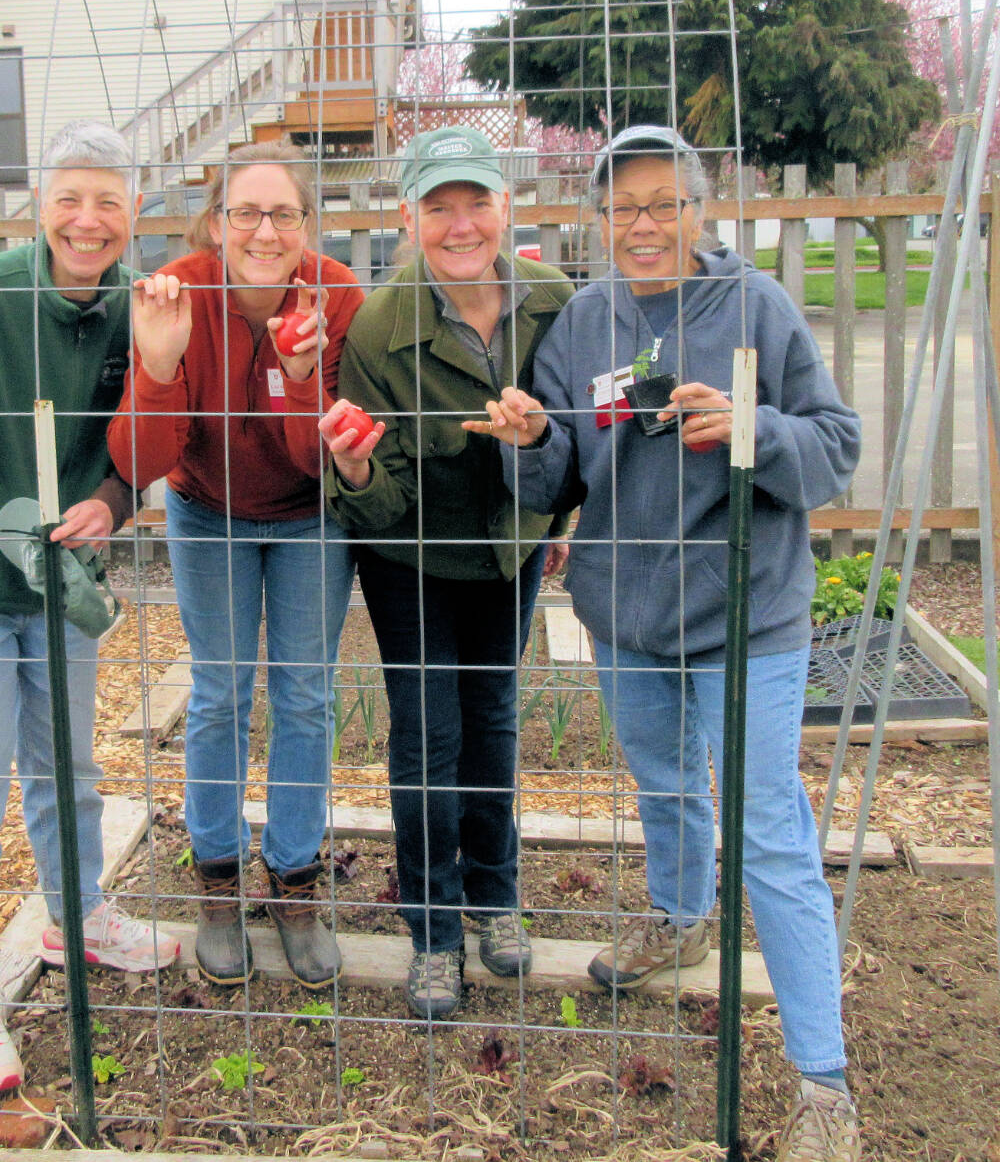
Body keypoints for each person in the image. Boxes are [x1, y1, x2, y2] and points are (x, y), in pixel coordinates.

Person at [477, 125, 863, 1161]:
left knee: (769, 827)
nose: (641, 225)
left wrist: (748, 426)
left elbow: (832, 449)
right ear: (597, 221)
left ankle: (821, 1086)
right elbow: (556, 471)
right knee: (660, 781)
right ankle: (680, 915)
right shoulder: (586, 322)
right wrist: (529, 440)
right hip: (625, 615)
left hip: (745, 614)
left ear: (699, 209)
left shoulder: (753, 308)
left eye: (662, 203)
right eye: (621, 209)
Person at [0, 121, 179, 1094]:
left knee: (70, 767)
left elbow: (136, 440)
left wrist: (109, 499)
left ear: (132, 210)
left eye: (108, 199)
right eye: (69, 198)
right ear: (40, 206)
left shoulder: (132, 310)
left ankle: (77, 912)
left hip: (57, 578)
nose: (88, 219)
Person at [318, 126, 575, 1020]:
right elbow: (378, 498)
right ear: (409, 216)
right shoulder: (384, 326)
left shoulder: (551, 299)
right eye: (439, 208)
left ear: (506, 207)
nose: (461, 225)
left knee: (495, 716)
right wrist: (353, 470)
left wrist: (560, 510)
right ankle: (432, 927)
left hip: (510, 549)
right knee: (427, 734)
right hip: (413, 558)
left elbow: (576, 435)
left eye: (477, 203)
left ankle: (495, 895)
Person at [107, 141, 363, 989]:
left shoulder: (339, 295)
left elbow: (314, 461)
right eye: (244, 212)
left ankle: (293, 879)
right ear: (216, 222)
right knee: (218, 690)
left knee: (306, 691)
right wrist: (161, 361)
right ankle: (217, 877)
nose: (264, 229)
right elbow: (144, 457)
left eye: (283, 213)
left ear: (306, 225)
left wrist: (297, 376)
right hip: (206, 506)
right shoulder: (176, 290)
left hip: (306, 517)